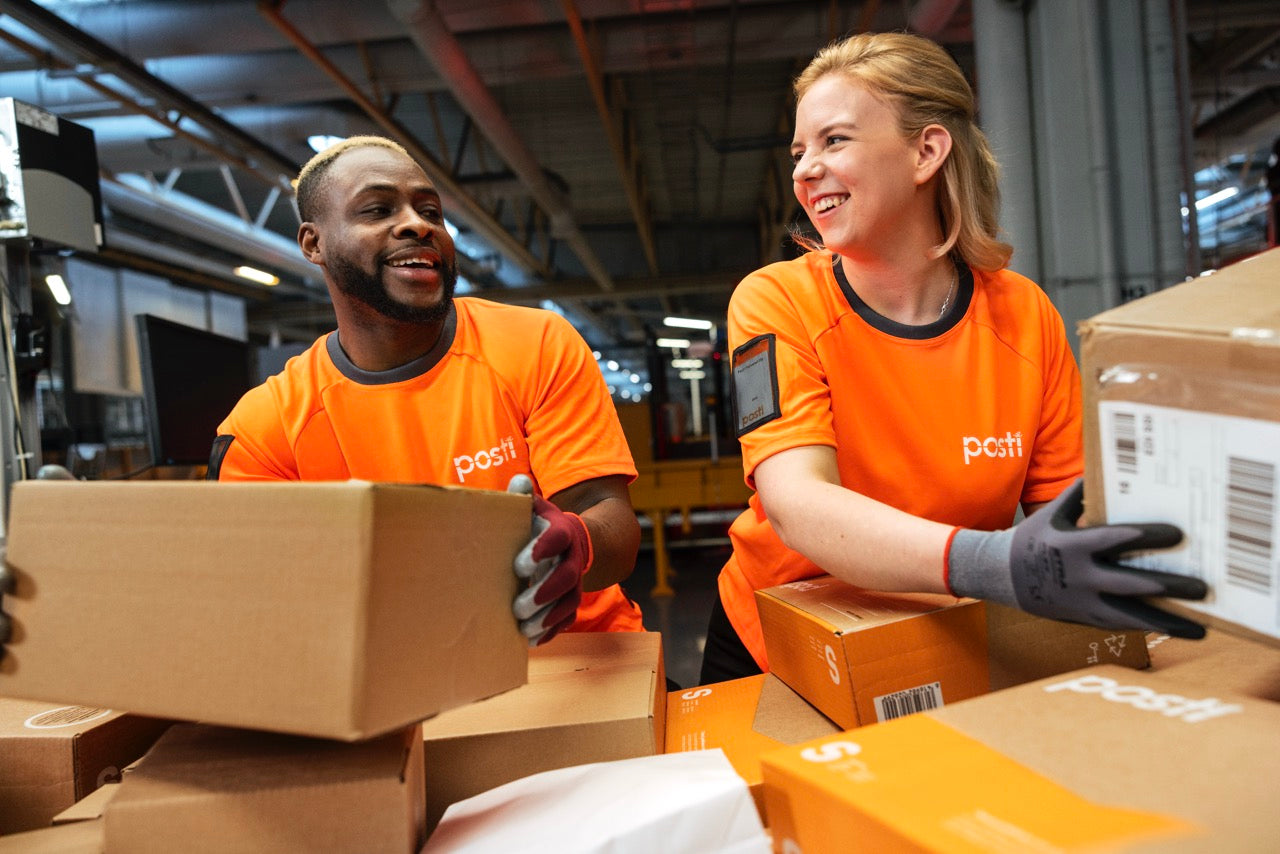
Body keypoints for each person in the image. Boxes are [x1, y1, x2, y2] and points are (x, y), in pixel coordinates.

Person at [699, 32, 1206, 684]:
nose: (803, 169)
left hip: (941, 639)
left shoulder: (1022, 317)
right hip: (777, 646)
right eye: (799, 151)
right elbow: (798, 505)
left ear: (926, 151)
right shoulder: (775, 302)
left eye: (834, 140)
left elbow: (1070, 513)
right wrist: (993, 563)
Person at [209, 136, 643, 647]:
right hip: (394, 681)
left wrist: (578, 545)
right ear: (314, 243)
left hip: (574, 655)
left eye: (431, 210)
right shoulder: (266, 428)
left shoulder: (534, 343)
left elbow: (610, 517)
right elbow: (266, 601)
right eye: (377, 209)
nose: (419, 224)